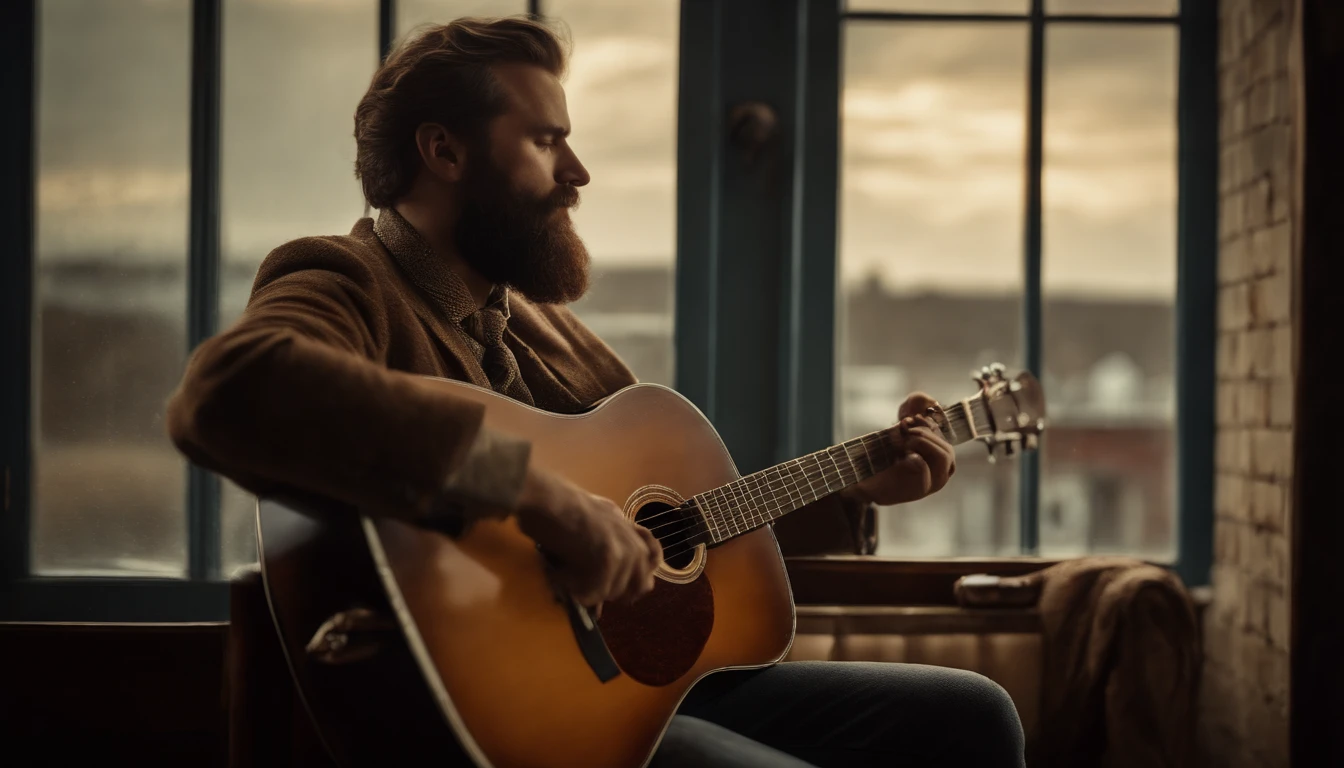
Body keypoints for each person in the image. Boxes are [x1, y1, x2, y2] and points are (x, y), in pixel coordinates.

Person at [166, 16, 1024, 768]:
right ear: (443, 151)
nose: (577, 172)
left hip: (635, 687)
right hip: (486, 719)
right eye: (545, 141)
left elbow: (681, 524)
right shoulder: (348, 279)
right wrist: (535, 493)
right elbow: (231, 390)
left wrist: (857, 490)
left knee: (971, 718)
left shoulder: (544, 326)